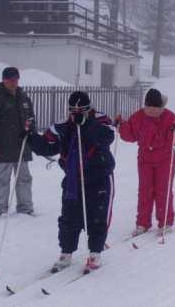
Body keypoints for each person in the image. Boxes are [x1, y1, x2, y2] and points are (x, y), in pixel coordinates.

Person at [26, 91, 115, 272]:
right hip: (73, 179)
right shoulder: (62, 126)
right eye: (73, 110)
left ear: (88, 109)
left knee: (97, 216)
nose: (76, 113)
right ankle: (66, 252)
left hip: (99, 177)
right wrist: (30, 138)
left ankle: (95, 252)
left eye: (81, 110)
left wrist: (87, 124)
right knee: (69, 216)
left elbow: (107, 138)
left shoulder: (100, 120)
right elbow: (48, 147)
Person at [118, 88, 175, 237]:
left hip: (165, 160)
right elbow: (129, 135)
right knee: (145, 191)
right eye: (149, 108)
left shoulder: (170, 117)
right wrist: (121, 126)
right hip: (145, 160)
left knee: (163, 190)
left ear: (161, 107)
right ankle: (143, 223)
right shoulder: (138, 117)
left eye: (156, 109)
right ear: (145, 106)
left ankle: (165, 222)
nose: (153, 112)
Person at [0, 67, 35, 216]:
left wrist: (31, 133)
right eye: (11, 80)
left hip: (22, 145)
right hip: (3, 146)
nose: (14, 83)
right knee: (2, 179)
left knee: (24, 178)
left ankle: (25, 207)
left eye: (16, 79)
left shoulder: (24, 97)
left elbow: (31, 119)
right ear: (4, 80)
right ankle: (0, 209)